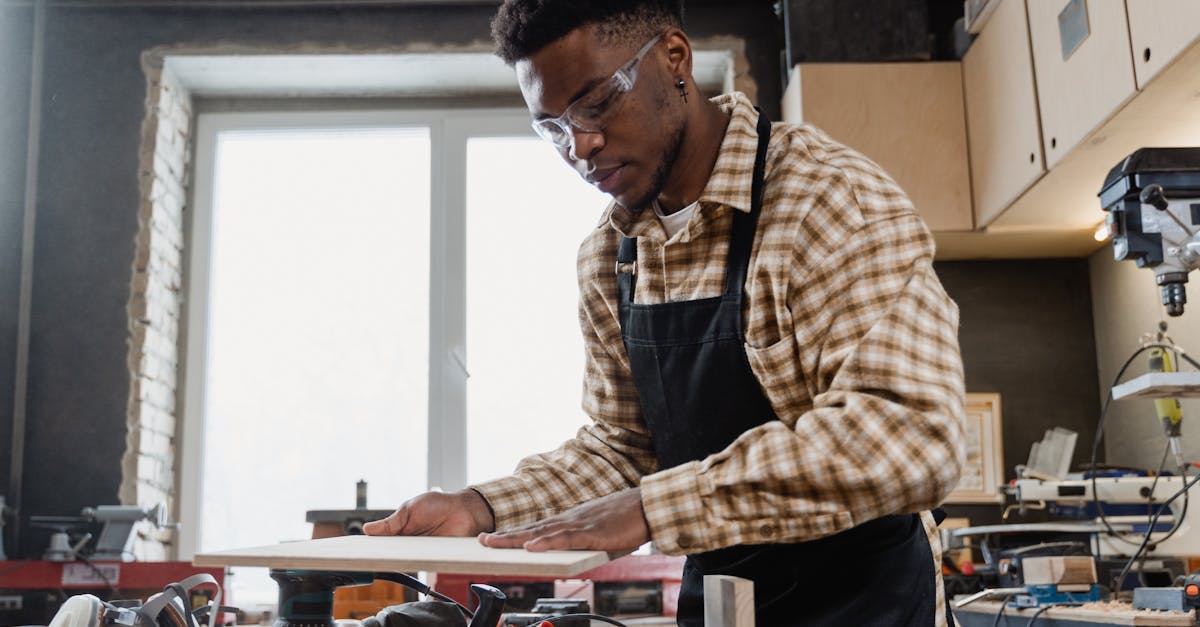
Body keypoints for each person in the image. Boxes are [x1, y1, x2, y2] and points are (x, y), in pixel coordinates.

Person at [365, 1, 967, 624]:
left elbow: (912, 432)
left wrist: (655, 510)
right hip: (721, 605)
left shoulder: (826, 198)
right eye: (553, 127)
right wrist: (482, 507)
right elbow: (625, 449)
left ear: (674, 58)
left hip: (870, 603)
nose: (582, 146)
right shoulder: (610, 257)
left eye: (596, 103)